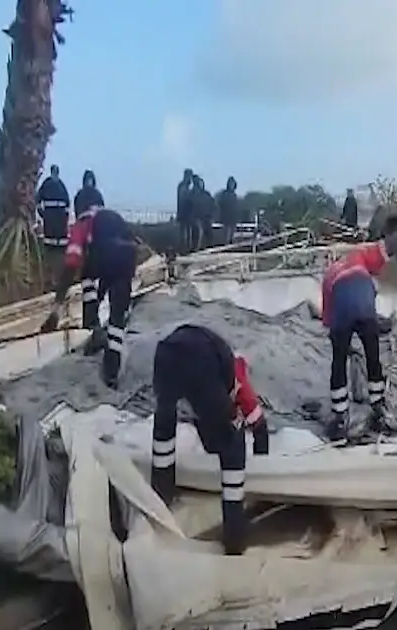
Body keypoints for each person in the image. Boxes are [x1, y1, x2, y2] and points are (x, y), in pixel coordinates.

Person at [150, 323, 268, 555]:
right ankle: (234, 536)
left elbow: (204, 412)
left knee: (164, 419)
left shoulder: (221, 362)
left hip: (165, 354)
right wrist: (262, 466)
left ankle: (161, 493)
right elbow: (259, 425)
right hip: (199, 362)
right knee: (233, 444)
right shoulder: (238, 378)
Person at [321, 227, 397, 440]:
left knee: (338, 362)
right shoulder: (359, 256)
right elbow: (384, 249)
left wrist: (338, 337)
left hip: (342, 309)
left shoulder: (328, 276)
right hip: (365, 305)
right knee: (373, 358)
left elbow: (327, 317)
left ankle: (340, 416)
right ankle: (379, 408)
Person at [40, 206, 137, 389]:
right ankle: (111, 373)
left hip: (107, 257)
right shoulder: (112, 217)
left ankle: (92, 325)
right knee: (117, 319)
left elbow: (70, 268)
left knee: (86, 275)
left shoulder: (80, 226)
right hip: (127, 261)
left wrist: (56, 311)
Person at [37, 165, 71, 248]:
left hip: (59, 216)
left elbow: (67, 203)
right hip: (50, 215)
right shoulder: (47, 184)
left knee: (60, 236)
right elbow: (38, 200)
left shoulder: (61, 185)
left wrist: (65, 215)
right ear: (52, 172)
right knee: (49, 237)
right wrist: (42, 213)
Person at [191, 175, 217, 250]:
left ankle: (209, 248)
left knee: (209, 235)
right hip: (197, 218)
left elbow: (213, 205)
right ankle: (196, 248)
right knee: (198, 234)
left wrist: (212, 216)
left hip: (207, 217)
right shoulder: (192, 194)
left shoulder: (206, 194)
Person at [176, 169, 195, 254]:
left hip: (188, 214)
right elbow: (183, 199)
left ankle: (187, 249)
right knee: (184, 234)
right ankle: (184, 250)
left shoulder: (185, 186)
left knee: (188, 233)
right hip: (184, 214)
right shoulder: (183, 186)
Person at [217, 176, 240, 245]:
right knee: (226, 233)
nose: (232, 185)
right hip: (226, 217)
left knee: (232, 233)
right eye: (230, 184)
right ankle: (225, 244)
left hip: (233, 217)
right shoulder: (224, 194)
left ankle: (230, 243)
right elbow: (221, 204)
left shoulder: (234, 195)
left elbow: (236, 207)